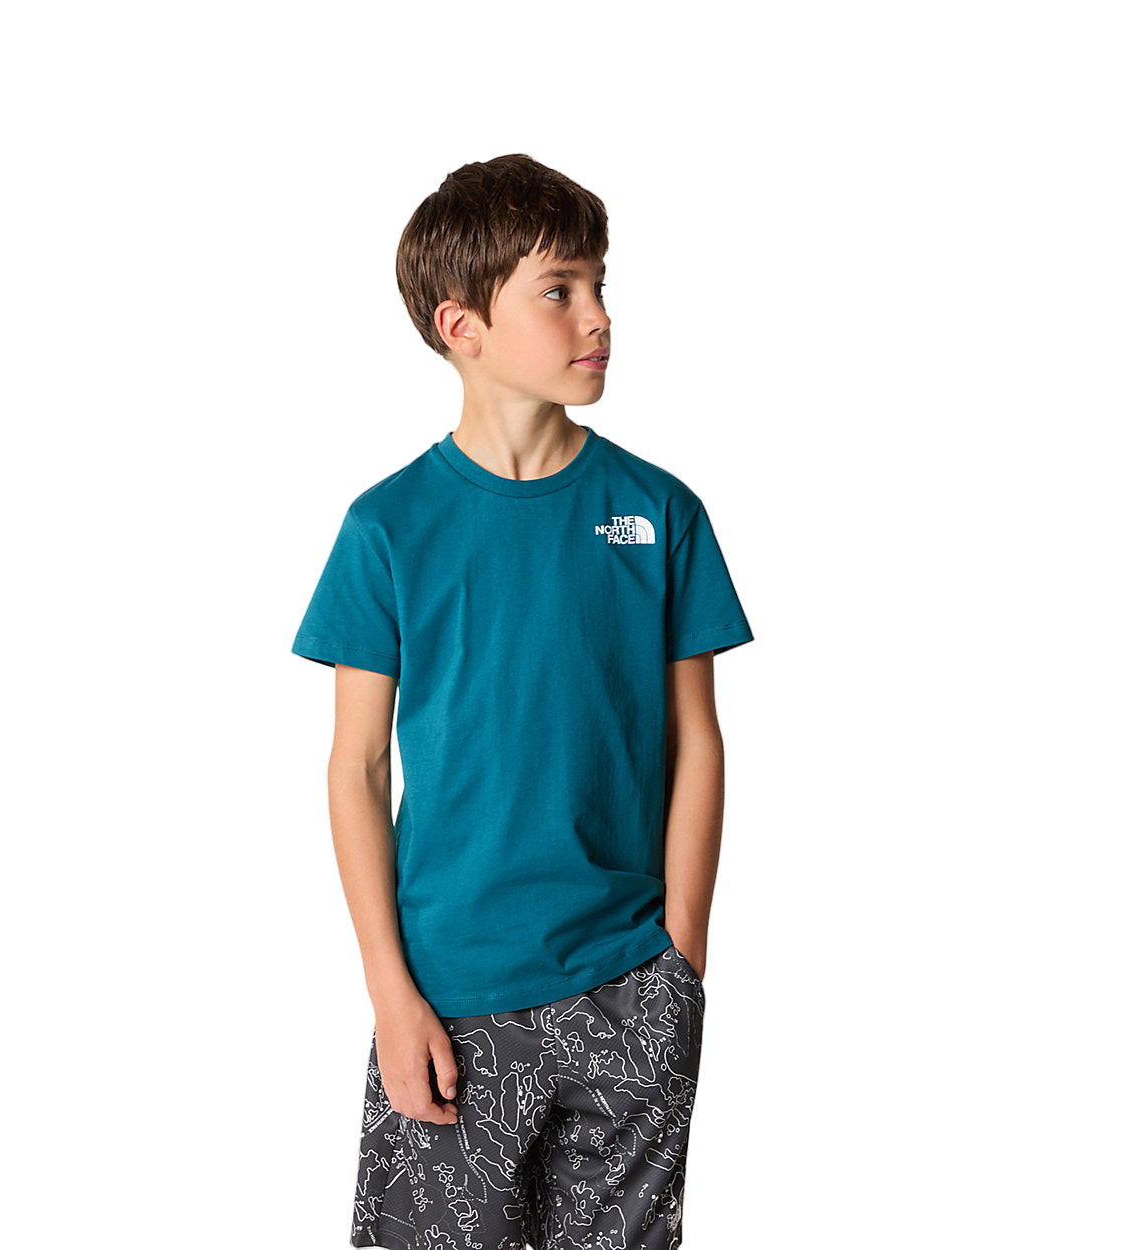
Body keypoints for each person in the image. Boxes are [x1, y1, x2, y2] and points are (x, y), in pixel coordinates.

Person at [291, 153, 755, 1250]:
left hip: (629, 983)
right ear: (462, 325)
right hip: (448, 999)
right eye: (559, 289)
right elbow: (357, 767)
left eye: (599, 284)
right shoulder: (387, 528)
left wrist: (680, 959)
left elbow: (696, 740)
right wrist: (391, 993)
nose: (598, 315)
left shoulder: (658, 512)